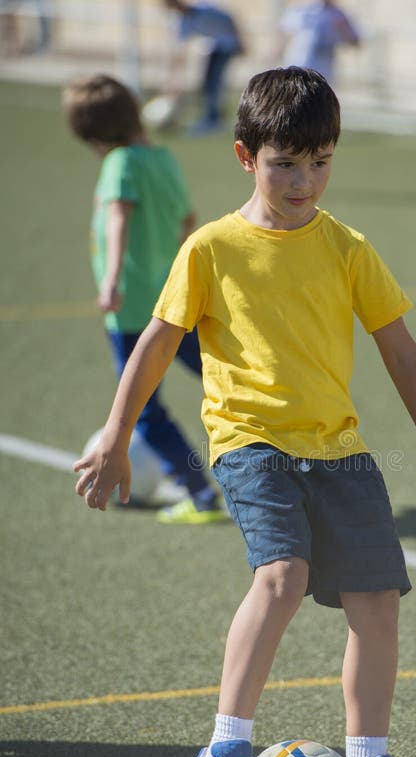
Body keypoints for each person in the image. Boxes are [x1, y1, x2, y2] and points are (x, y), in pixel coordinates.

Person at [73, 67, 416, 757]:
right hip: (249, 440)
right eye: (286, 161)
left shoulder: (347, 247)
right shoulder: (212, 247)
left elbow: (404, 354)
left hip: (339, 447)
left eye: (320, 160)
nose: (304, 179)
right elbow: (157, 343)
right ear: (244, 156)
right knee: (283, 575)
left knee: (377, 600)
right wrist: (118, 438)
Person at [63, 74, 226, 524]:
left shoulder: (119, 163)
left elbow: (118, 216)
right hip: (176, 304)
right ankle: (288, 458)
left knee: (144, 409)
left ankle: (201, 495)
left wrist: (111, 279)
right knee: (224, 379)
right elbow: (187, 219)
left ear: (94, 137)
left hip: (134, 312)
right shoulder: (165, 159)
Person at [161, 1, 243, 135]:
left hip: (226, 45)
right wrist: (174, 81)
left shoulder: (205, 9)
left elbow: (229, 19)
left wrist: (240, 40)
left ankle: (214, 120)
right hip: (213, 48)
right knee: (207, 82)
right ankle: (212, 117)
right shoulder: (184, 22)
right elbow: (180, 53)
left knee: (213, 83)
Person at [277, 0, 360, 84]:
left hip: (322, 73)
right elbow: (283, 36)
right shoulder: (299, 11)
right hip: (296, 68)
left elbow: (355, 42)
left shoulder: (337, 15)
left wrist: (342, 29)